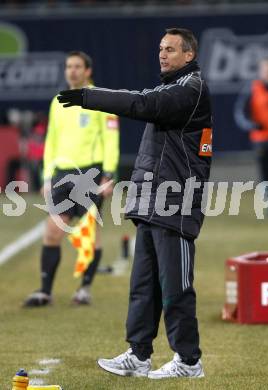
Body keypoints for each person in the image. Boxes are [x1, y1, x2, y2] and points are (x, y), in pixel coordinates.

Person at [58, 28, 212, 379]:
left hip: (176, 203)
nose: (162, 54)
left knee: (176, 286)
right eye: (160, 48)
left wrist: (90, 96)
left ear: (189, 55)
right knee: (143, 285)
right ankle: (139, 355)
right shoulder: (170, 87)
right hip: (151, 202)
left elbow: (141, 104)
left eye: (171, 49)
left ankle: (189, 362)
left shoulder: (191, 90)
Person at [24, 51, 119, 307]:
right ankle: (45, 291)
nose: (72, 71)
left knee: (88, 235)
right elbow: (51, 141)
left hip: (91, 173)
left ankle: (84, 289)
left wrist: (109, 175)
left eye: (77, 66)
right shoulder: (58, 101)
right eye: (69, 66)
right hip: (60, 175)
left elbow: (111, 139)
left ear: (87, 71)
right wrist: (46, 177)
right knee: (53, 231)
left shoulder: (102, 99)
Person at [235, 59, 268, 214]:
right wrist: (251, 124)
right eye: (265, 70)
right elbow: (240, 113)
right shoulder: (253, 88)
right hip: (261, 139)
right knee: (265, 173)